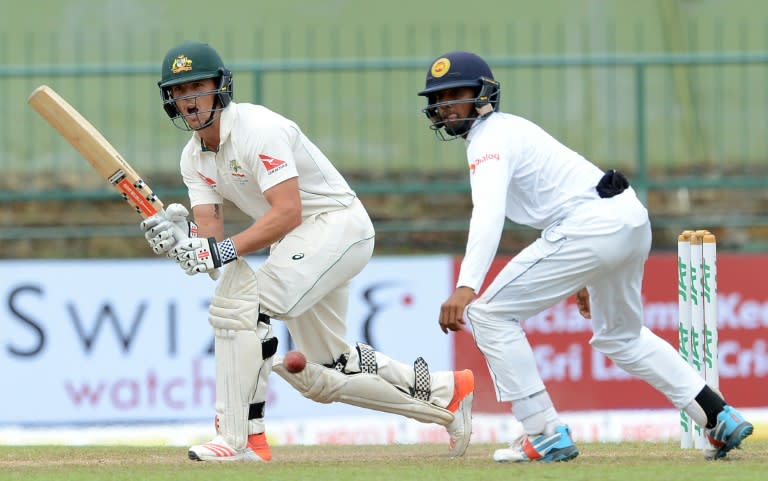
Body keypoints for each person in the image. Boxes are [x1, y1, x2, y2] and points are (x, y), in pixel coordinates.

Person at [140, 41, 474, 462]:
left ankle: (240, 438)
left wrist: (215, 251)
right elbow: (210, 243)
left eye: (197, 87)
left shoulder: (257, 129)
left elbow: (287, 212)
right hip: (302, 241)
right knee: (327, 372)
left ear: (220, 88)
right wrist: (182, 238)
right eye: (178, 91)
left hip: (337, 225)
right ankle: (448, 395)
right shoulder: (193, 158)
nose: (187, 100)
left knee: (241, 301)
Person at [417, 51, 753, 462]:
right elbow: (563, 199)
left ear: (483, 94)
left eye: (457, 93)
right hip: (626, 220)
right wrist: (584, 274)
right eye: (440, 97)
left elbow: (488, 213)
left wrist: (466, 286)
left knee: (488, 314)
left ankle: (543, 432)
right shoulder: (509, 131)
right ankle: (718, 416)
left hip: (591, 226)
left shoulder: (488, 139)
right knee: (621, 336)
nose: (447, 104)